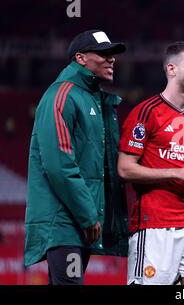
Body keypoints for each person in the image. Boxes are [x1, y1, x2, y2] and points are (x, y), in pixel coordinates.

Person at [25, 29, 129, 285]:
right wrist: (88, 214)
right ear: (81, 58)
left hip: (76, 222)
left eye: (113, 54)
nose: (111, 59)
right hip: (64, 221)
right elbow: (59, 164)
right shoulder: (62, 95)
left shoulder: (91, 99)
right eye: (104, 54)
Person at [117, 41, 184, 285]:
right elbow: (124, 168)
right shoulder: (147, 112)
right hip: (155, 226)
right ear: (171, 70)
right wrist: (179, 173)